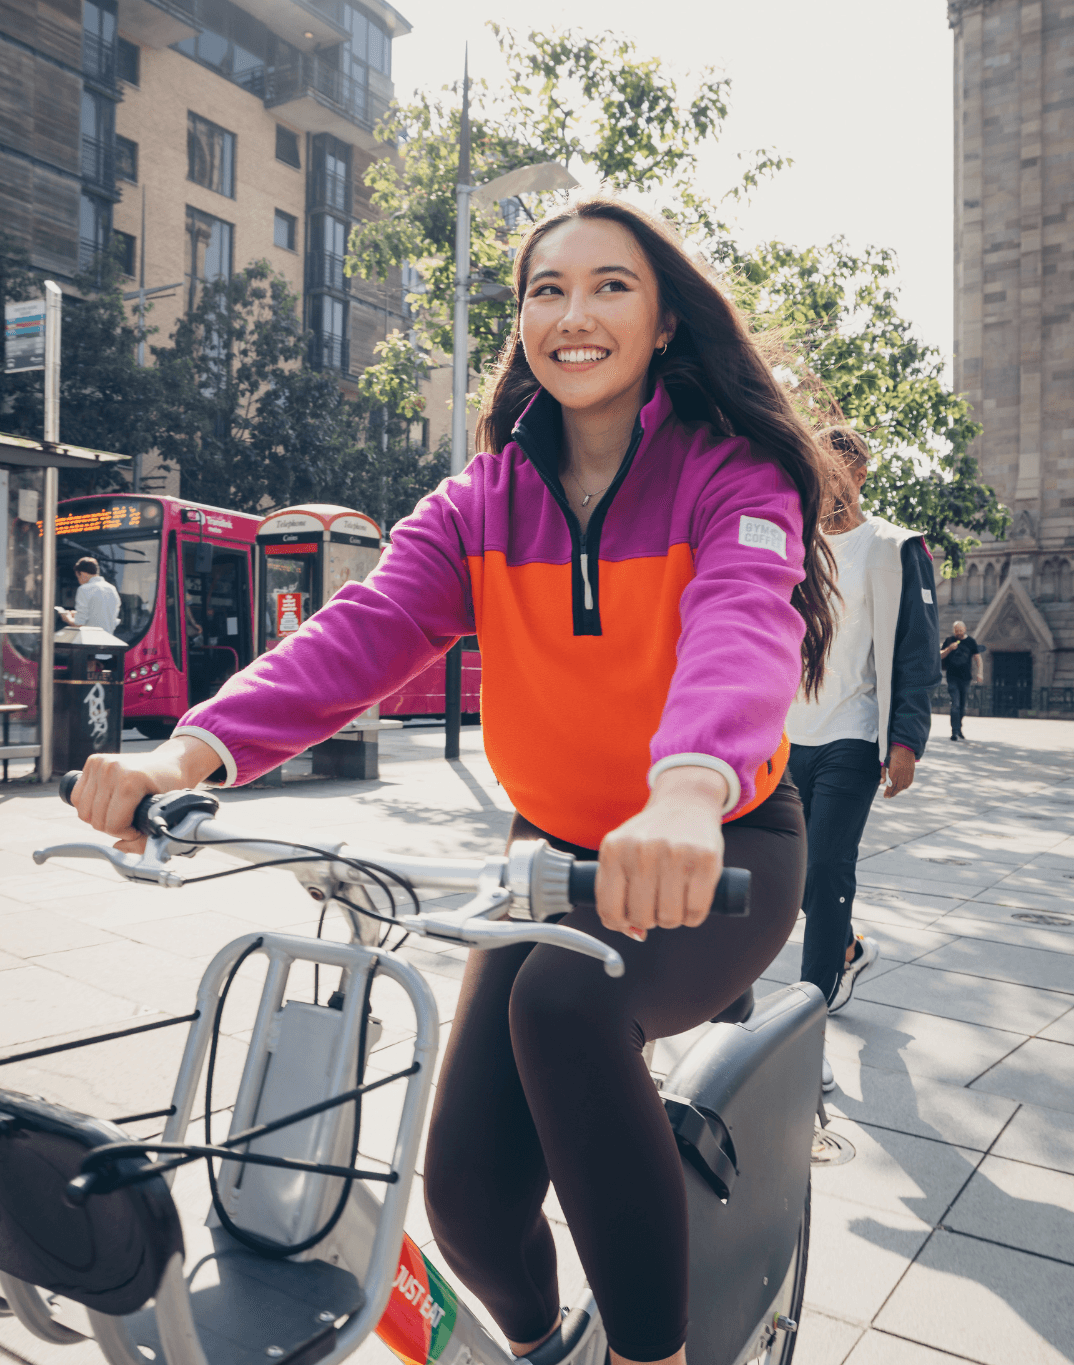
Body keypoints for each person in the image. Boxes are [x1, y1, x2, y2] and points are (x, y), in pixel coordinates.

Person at [69, 198, 837, 1365]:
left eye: (609, 286)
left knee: (567, 1008)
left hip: (718, 841)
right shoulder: (483, 500)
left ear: (667, 319)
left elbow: (742, 626)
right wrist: (186, 750)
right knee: (469, 1201)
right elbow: (364, 629)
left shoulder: (729, 475)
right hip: (551, 853)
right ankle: (542, 1349)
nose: (572, 313)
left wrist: (684, 791)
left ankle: (653, 1358)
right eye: (545, 290)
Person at [785, 427, 940, 1093]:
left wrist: (906, 737)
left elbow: (915, 649)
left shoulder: (892, 547)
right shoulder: (791, 544)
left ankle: (805, 1030)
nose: (826, 482)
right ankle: (845, 947)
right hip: (785, 737)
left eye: (837, 470)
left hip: (852, 734)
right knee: (792, 877)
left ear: (862, 474)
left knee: (825, 867)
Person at [941, 620, 982, 740]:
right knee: (955, 704)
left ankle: (959, 728)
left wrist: (980, 673)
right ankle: (954, 732)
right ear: (954, 631)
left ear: (965, 629)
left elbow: (978, 659)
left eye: (960, 630)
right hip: (952, 677)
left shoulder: (970, 642)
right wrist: (949, 649)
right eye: (956, 630)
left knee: (962, 706)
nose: (958, 632)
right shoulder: (949, 640)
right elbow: (940, 655)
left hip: (965, 678)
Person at [59, 556, 121, 633]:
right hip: (108, 640)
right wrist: (77, 614)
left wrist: (67, 618)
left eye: (78, 577)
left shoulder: (84, 589)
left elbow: (78, 624)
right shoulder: (111, 588)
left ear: (81, 573)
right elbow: (108, 617)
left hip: (90, 642)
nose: (79, 581)